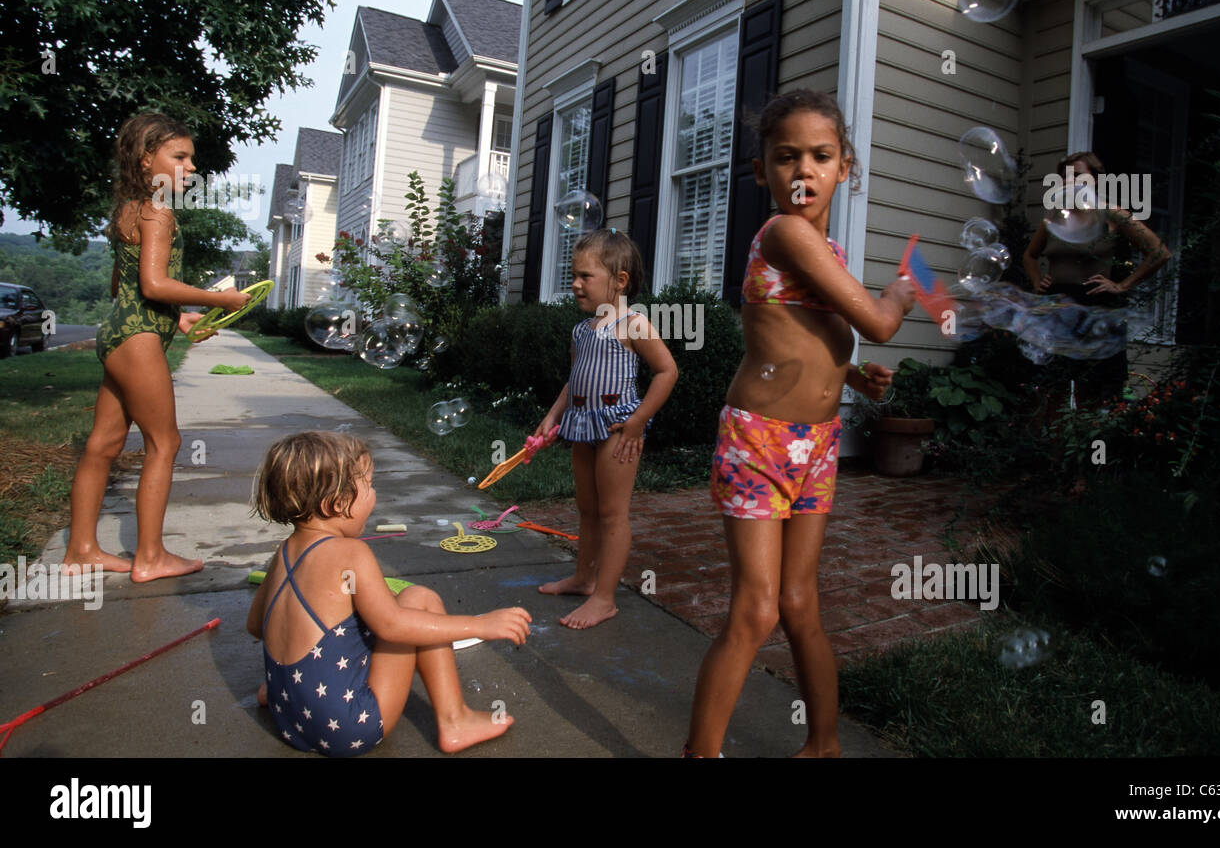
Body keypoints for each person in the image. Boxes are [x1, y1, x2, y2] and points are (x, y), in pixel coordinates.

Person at [685, 89, 915, 757]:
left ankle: (823, 742)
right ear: (762, 170)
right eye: (786, 158)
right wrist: (902, 290)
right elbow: (876, 320)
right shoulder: (785, 233)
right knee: (757, 608)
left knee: (801, 602)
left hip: (816, 445)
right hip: (759, 441)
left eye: (821, 155)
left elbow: (811, 337)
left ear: (846, 165)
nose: (803, 171)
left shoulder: (824, 246)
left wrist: (849, 375)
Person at [246, 430, 532, 756]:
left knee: (352, 627)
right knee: (418, 600)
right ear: (337, 504)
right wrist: (479, 625)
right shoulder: (351, 554)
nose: (374, 495)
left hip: (290, 719)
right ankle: (456, 720)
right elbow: (393, 626)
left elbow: (256, 626)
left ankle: (287, 691)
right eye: (369, 485)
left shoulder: (283, 553)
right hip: (347, 727)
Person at [65, 113, 249, 582]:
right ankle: (149, 557)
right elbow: (154, 283)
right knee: (164, 443)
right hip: (138, 341)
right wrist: (218, 298)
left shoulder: (129, 209)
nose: (191, 168)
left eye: (192, 160)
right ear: (147, 159)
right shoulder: (158, 212)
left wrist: (181, 319)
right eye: (180, 157)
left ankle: (81, 549)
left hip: (118, 334)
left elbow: (123, 287)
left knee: (102, 445)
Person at [533, 229, 678, 629]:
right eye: (573, 275)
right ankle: (583, 578)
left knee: (613, 513)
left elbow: (667, 371)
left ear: (619, 281)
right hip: (582, 422)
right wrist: (553, 416)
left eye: (585, 276)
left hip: (617, 426)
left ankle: (604, 598)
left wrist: (638, 421)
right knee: (587, 508)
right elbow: (575, 379)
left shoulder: (633, 325)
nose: (575, 284)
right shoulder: (582, 330)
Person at [1022, 151, 1172, 396]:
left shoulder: (1111, 214)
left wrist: (1122, 285)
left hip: (1096, 308)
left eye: (1078, 175)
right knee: (1051, 390)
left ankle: (1090, 436)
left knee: (1094, 392)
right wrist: (1038, 280)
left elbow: (1159, 252)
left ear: (1096, 180)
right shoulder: (1054, 218)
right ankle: (1053, 435)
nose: (1070, 181)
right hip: (1057, 308)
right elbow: (1029, 256)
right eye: (1065, 177)